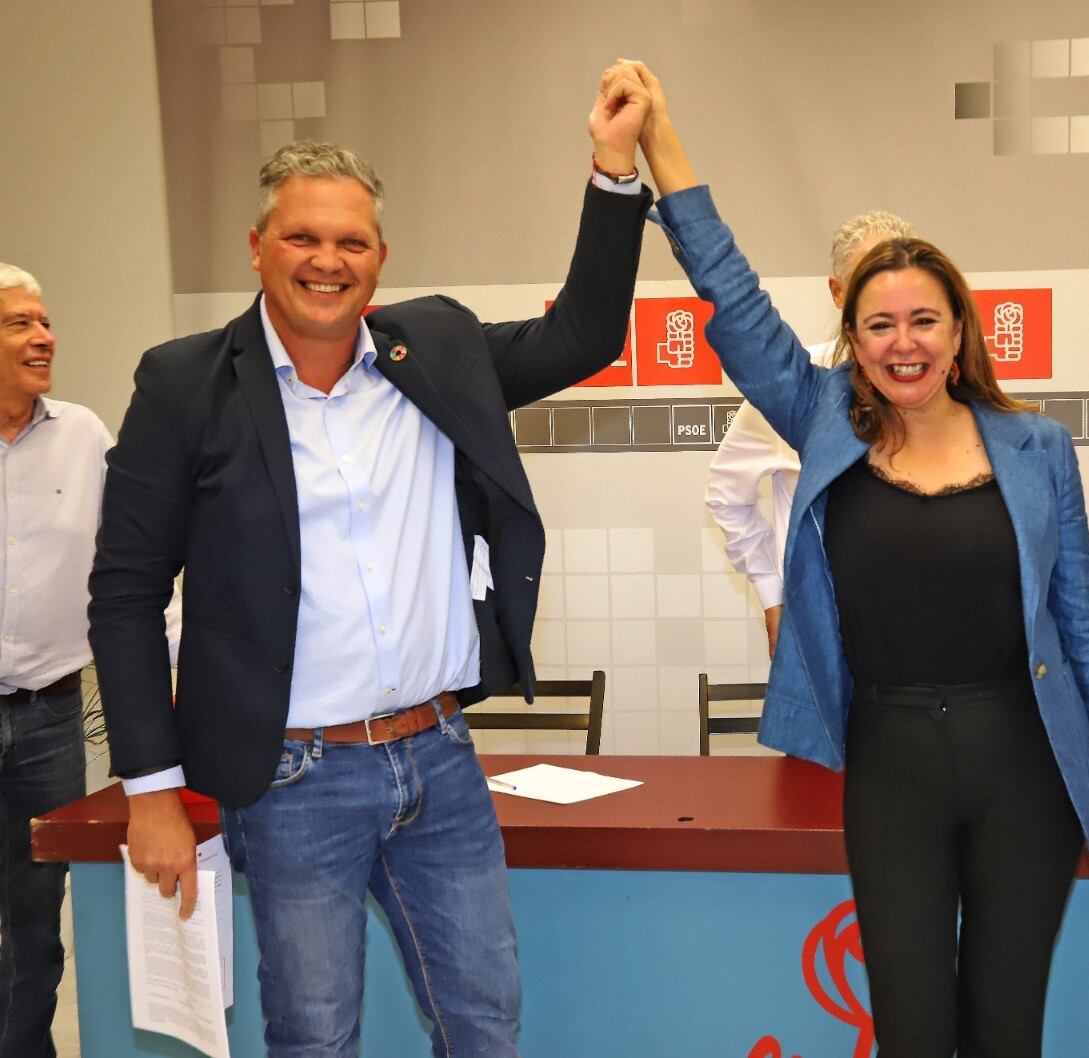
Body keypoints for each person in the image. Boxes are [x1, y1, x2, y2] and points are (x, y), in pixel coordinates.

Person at [89, 67, 653, 1058]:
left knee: (484, 1020)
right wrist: (150, 789)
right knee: (314, 1035)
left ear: (379, 260)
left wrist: (613, 170)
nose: (325, 260)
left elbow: (585, 333)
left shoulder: (432, 348)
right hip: (293, 776)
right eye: (301, 236)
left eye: (351, 241)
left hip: (438, 756)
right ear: (257, 247)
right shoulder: (184, 384)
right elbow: (127, 595)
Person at [624, 61, 1089, 1058]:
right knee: (907, 1029)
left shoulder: (1035, 446)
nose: (901, 343)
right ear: (851, 340)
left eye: (921, 320)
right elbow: (729, 295)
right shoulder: (819, 419)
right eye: (877, 324)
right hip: (889, 761)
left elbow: (1079, 616)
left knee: (1003, 1028)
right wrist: (662, 141)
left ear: (957, 330)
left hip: (1023, 763)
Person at [705, 211, 913, 656]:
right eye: (867, 284)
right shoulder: (797, 387)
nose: (885, 304)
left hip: (918, 627)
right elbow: (725, 495)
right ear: (838, 293)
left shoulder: (934, 391)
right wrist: (771, 595)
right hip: (819, 632)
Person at [0, 263, 111, 1058]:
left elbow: (129, 567)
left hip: (48, 714)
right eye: (20, 325)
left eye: (44, 322)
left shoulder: (83, 436)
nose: (45, 338)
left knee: (36, 921)